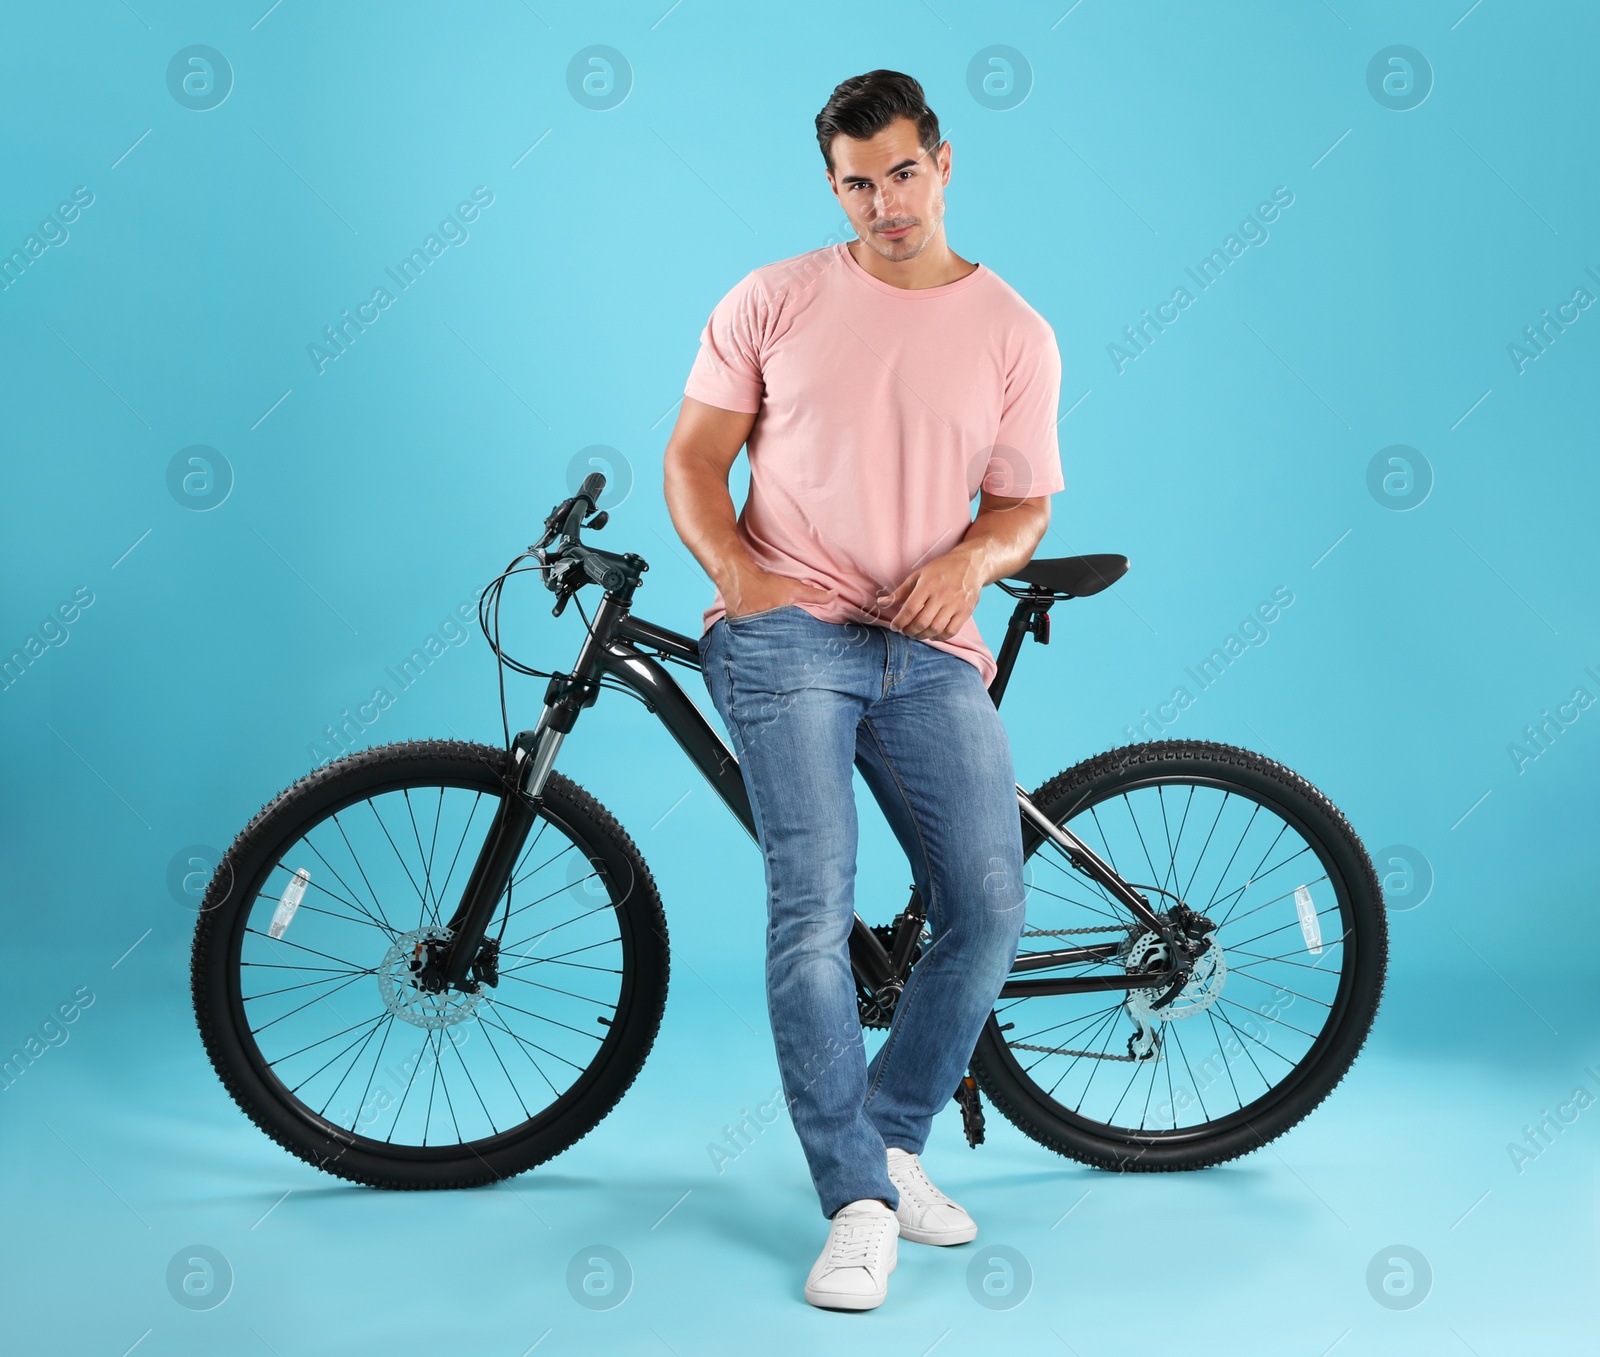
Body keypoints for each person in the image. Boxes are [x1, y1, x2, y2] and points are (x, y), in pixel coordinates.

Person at [663, 69, 1066, 1311]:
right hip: (789, 632)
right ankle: (854, 1199)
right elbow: (692, 456)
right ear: (830, 185)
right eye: (855, 182)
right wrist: (737, 574)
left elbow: (1023, 503)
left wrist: (969, 561)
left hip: (926, 645)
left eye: (901, 172)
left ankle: (891, 1135)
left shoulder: (1012, 329)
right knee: (812, 906)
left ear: (943, 164)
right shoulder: (773, 298)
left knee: (987, 904)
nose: (883, 202)